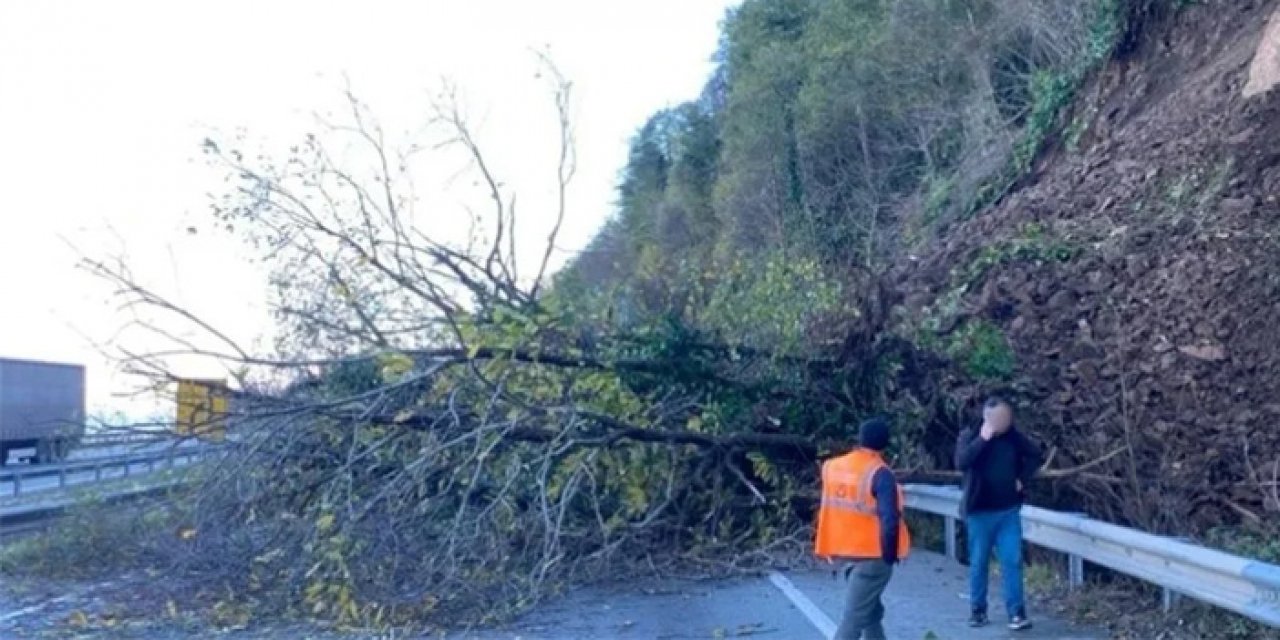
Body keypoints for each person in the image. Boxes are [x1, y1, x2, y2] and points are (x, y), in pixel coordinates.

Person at [815, 417, 911, 640]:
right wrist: (889, 556)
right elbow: (889, 519)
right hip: (872, 556)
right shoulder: (879, 472)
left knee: (869, 612)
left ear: (859, 438)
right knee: (854, 619)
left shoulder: (832, 467)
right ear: (886, 443)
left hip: (842, 553)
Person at [955, 396, 1044, 631]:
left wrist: (1021, 478)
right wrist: (983, 440)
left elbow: (1035, 455)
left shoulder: (1013, 437)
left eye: (1007, 418)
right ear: (987, 418)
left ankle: (1016, 612)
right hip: (980, 511)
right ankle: (978, 610)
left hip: (1008, 510)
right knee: (979, 562)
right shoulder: (971, 434)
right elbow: (962, 462)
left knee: (1012, 560)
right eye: (999, 419)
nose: (1004, 423)